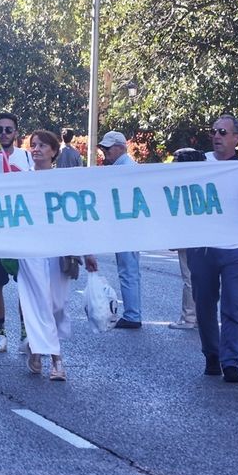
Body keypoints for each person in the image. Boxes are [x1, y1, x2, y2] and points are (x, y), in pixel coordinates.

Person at [15, 131, 98, 380]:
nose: (36, 149)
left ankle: (35, 346)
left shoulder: (64, 182)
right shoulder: (20, 181)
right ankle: (56, 360)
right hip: (30, 251)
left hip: (58, 250)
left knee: (56, 304)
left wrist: (87, 252)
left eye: (42, 145)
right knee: (39, 299)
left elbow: (75, 219)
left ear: (53, 151)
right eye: (33, 145)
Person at [183, 115, 238, 383]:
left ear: (237, 138)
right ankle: (211, 354)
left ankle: (232, 361)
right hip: (202, 247)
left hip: (236, 247)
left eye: (223, 132)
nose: (216, 136)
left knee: (233, 305)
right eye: (213, 131)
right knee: (204, 303)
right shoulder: (198, 162)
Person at [0, 112, 33, 353]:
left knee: (26, 285)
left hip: (21, 234)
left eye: (8, 130)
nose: (3, 134)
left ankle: (26, 333)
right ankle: (0, 335)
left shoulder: (27, 159)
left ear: (16, 133)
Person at [98, 130, 143, 329]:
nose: (104, 152)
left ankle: (133, 315)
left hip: (128, 228)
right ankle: (133, 312)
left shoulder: (124, 168)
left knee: (128, 271)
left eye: (107, 148)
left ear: (119, 148)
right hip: (128, 227)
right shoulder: (125, 166)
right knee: (129, 270)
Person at [167, 148, 205, 331]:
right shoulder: (203, 181)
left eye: (176, 159)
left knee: (189, 278)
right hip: (203, 236)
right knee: (201, 278)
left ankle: (189, 317)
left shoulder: (180, 184)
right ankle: (201, 316)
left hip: (188, 237)